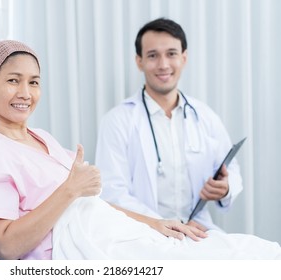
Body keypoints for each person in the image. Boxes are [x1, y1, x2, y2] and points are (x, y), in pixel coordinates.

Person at [0, 40, 281, 260]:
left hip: (115, 228)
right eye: (13, 80)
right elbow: (6, 247)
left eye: (34, 82)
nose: (25, 93)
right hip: (84, 244)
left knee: (246, 251)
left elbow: (94, 202)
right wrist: (71, 188)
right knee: (229, 263)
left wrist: (152, 223)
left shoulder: (41, 137)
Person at [95, 17, 242, 232]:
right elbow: (112, 193)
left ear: (184, 58)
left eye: (171, 54)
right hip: (142, 232)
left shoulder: (205, 117)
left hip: (198, 230)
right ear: (139, 61)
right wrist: (159, 224)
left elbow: (232, 169)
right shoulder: (117, 121)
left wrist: (225, 188)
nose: (163, 65)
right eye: (153, 55)